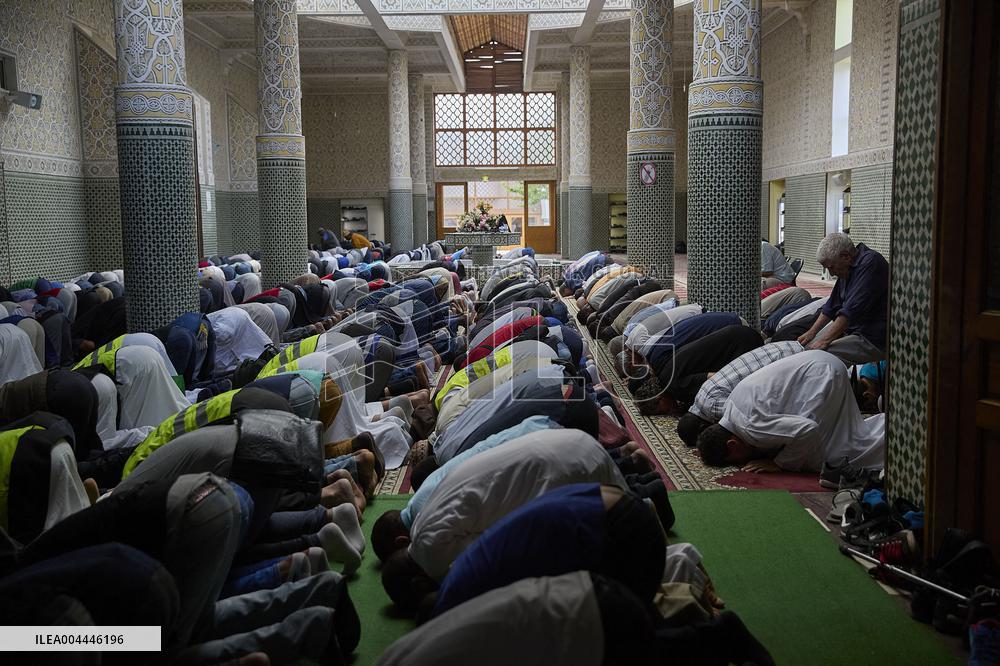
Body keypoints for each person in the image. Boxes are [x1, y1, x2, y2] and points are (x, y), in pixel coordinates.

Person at [428, 483, 666, 617]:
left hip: (620, 529)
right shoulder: (461, 570)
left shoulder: (457, 603)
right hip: (606, 503)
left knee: (629, 636)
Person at [696, 350, 884, 475]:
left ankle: (890, 436)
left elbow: (808, 430)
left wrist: (778, 464)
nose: (743, 461)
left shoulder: (751, 427)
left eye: (736, 460)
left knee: (827, 458)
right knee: (840, 435)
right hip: (818, 364)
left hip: (822, 375)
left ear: (732, 444)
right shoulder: (731, 408)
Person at [678, 340, 805, 446]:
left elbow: (750, 421)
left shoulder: (712, 408)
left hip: (791, 358)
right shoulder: (700, 396)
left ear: (702, 429)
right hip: (779, 348)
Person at [797, 233, 888, 364]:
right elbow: (831, 306)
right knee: (807, 346)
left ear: (845, 257)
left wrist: (824, 341)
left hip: (872, 337)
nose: (832, 273)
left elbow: (850, 312)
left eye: (831, 267)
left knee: (816, 358)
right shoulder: (847, 268)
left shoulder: (871, 263)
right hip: (854, 330)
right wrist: (811, 333)